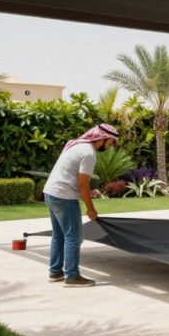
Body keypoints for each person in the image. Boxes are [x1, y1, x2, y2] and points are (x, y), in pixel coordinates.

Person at [43, 123, 119, 288]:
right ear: (103, 138)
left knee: (59, 234)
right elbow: (83, 184)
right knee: (74, 236)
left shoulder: (77, 145)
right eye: (111, 142)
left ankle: (55, 272)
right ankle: (71, 276)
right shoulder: (88, 153)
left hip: (50, 192)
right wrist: (90, 208)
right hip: (64, 196)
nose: (111, 146)